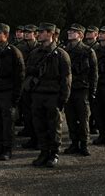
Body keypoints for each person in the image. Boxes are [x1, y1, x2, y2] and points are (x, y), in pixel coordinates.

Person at [26, 23, 71, 167]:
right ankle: (43, 152)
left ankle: (54, 153)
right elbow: (28, 71)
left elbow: (66, 78)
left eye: (42, 32)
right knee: (39, 125)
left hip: (53, 95)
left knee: (54, 127)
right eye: (38, 32)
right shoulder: (35, 53)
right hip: (38, 94)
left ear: (50, 33)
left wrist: (63, 98)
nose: (38, 34)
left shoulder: (61, 54)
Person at [0, 23, 25, 160]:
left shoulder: (13, 52)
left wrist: (16, 95)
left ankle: (7, 149)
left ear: (6, 35)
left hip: (7, 92)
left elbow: (19, 75)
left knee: (7, 122)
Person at [63, 24, 98, 156]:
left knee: (83, 119)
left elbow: (94, 73)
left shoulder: (88, 51)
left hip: (82, 89)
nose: (70, 33)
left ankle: (83, 144)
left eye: (74, 32)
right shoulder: (65, 50)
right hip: (68, 89)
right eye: (69, 31)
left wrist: (92, 91)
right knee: (70, 118)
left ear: (81, 35)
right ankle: (74, 143)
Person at [16, 25, 39, 148]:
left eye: (29, 32)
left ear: (35, 34)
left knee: (37, 113)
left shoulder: (40, 48)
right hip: (24, 83)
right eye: (25, 32)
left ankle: (38, 137)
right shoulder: (20, 47)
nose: (25, 34)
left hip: (38, 85)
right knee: (27, 111)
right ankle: (31, 134)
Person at [84, 25, 100, 134]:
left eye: (91, 32)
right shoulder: (83, 48)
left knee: (96, 105)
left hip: (98, 80)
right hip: (86, 80)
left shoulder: (100, 48)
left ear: (96, 35)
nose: (88, 34)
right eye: (87, 32)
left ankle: (94, 125)